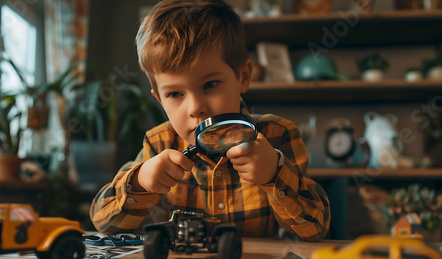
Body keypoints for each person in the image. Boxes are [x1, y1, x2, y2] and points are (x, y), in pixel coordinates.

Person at [90, 0, 330, 241]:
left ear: (243, 77)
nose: (195, 108)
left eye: (210, 85)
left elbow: (315, 229)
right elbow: (103, 222)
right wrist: (141, 182)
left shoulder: (278, 134)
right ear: (160, 101)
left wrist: (274, 174)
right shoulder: (159, 143)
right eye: (175, 94)